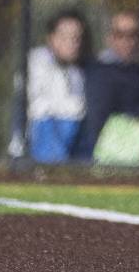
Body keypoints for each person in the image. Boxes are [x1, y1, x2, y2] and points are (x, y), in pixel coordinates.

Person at [73, 10, 139, 159]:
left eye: (134, 35)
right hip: (111, 158)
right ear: (110, 38)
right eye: (120, 34)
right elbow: (99, 124)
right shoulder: (100, 74)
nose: (128, 41)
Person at [26, 9, 92, 164]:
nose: (73, 43)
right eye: (64, 37)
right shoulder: (37, 62)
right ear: (51, 38)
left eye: (76, 38)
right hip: (45, 134)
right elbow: (39, 107)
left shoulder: (81, 71)